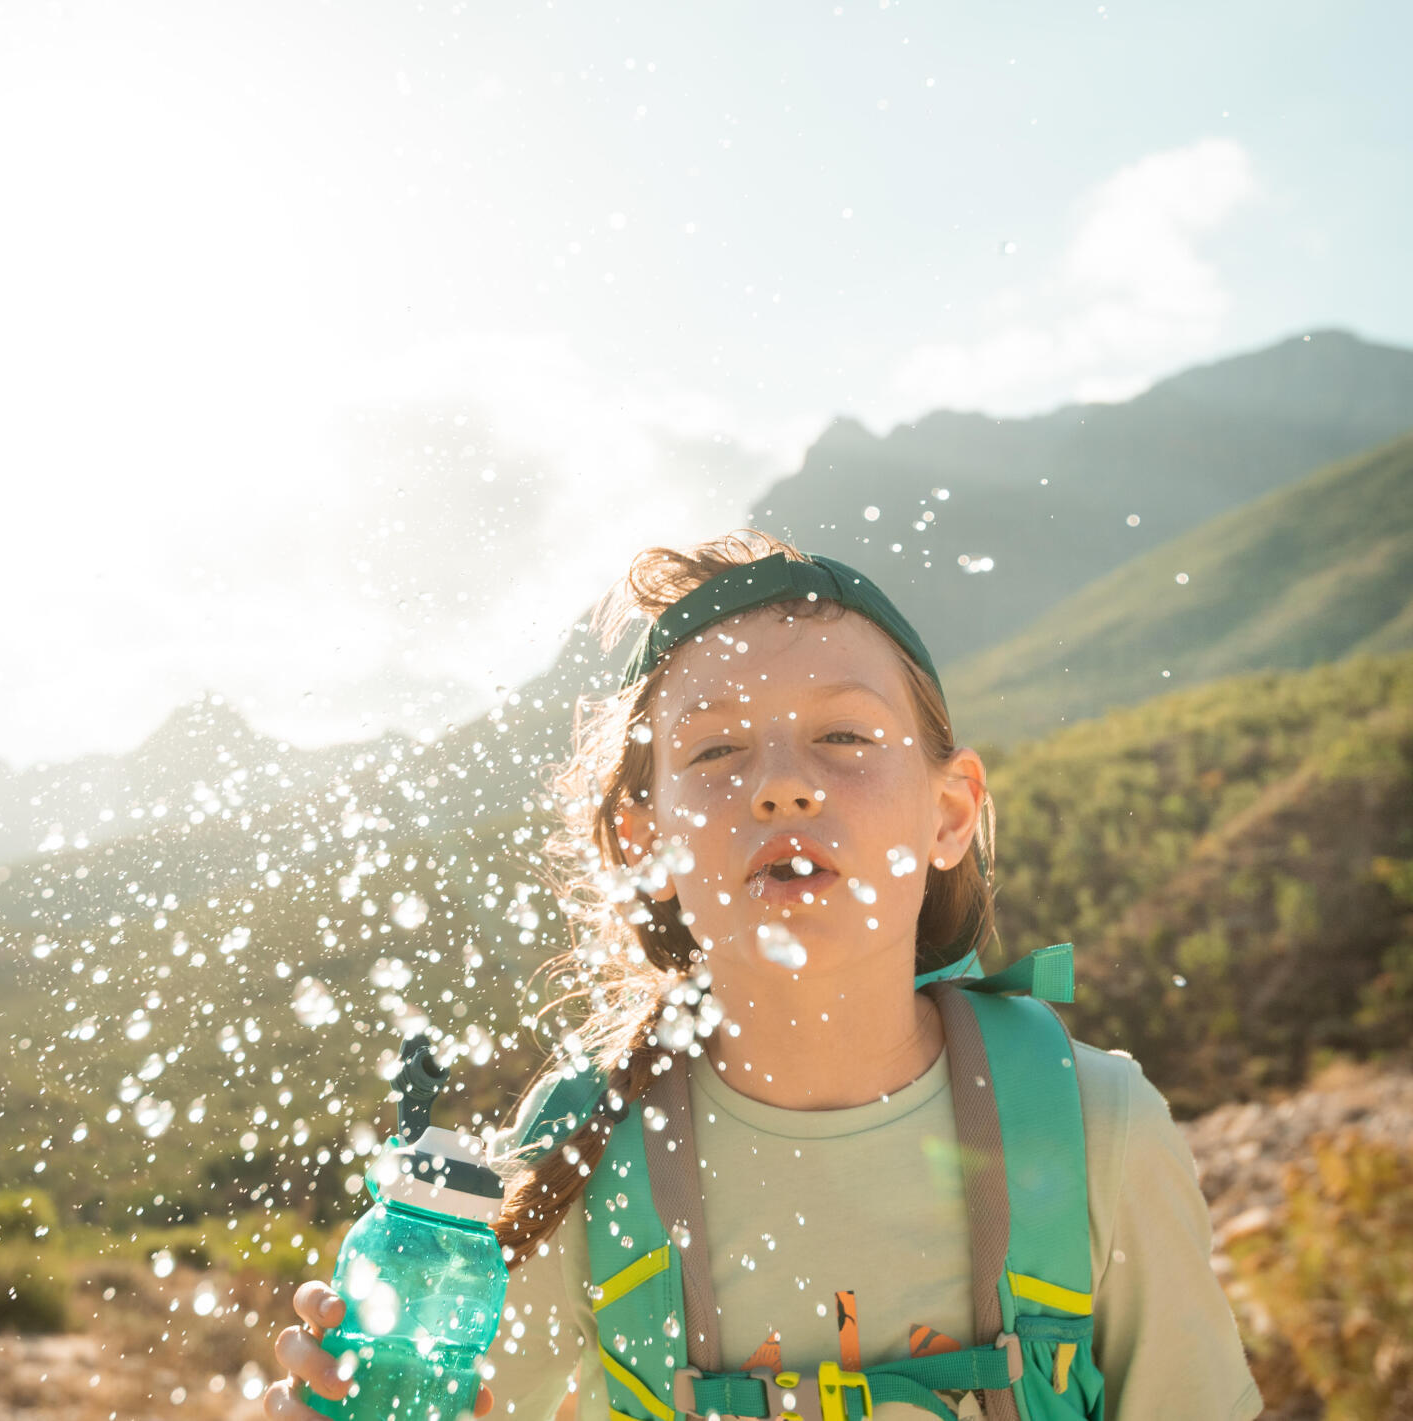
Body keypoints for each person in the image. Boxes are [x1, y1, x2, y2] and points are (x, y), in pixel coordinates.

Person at [270, 530, 1263, 1421]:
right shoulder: (590, 1146)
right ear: (640, 837)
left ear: (950, 811)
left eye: (845, 735)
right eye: (716, 748)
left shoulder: (1096, 1125)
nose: (783, 781)